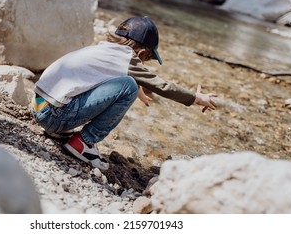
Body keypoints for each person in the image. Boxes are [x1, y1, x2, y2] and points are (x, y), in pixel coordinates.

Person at [31, 16, 217, 171]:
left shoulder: (104, 49)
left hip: (39, 106)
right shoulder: (126, 58)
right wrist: (197, 98)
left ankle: (61, 131)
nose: (143, 64)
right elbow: (164, 86)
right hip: (53, 117)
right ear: (142, 52)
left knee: (130, 84)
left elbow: (104, 77)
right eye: (147, 59)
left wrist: (139, 88)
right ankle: (84, 143)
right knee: (128, 85)